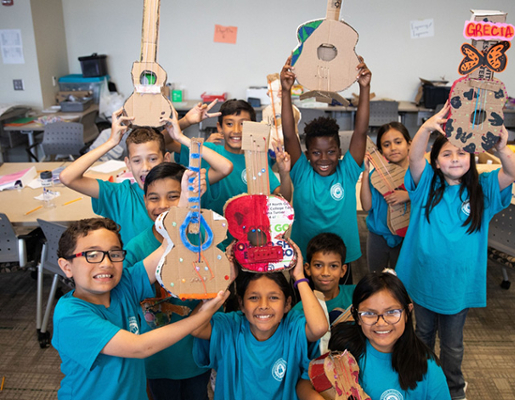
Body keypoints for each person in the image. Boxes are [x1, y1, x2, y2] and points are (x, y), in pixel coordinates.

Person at [395, 104, 515, 399]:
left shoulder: (484, 188)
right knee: (422, 336)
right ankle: (422, 382)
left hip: (459, 286)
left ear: (472, 157)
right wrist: (427, 128)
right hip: (423, 280)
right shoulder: (425, 183)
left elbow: (513, 171)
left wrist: (503, 149)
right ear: (436, 162)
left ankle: (454, 388)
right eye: (447, 154)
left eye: (461, 153)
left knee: (452, 345)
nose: (455, 159)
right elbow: (414, 157)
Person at [52, 216, 227, 400]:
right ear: (66, 266)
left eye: (114, 254)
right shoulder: (70, 315)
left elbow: (167, 245)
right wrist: (201, 316)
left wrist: (187, 195)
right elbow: (140, 347)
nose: (106, 263)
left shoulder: (123, 286)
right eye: (92, 255)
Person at [59, 105, 229, 244]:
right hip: (138, 280)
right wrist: (111, 142)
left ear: (166, 158)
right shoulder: (120, 195)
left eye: (153, 159)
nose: (146, 167)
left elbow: (224, 168)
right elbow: (68, 177)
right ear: (127, 163)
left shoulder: (184, 185)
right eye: (137, 160)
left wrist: (179, 135)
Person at [191, 245, 328, 400]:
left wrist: (299, 277)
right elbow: (195, 327)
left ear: (287, 304)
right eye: (254, 298)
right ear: (241, 304)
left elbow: (320, 328)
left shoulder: (292, 327)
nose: (263, 305)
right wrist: (225, 279)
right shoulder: (230, 327)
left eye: (273, 297)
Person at [280, 55, 371, 282]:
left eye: (331, 152)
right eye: (316, 153)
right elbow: (289, 134)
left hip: (341, 259)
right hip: (306, 257)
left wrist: (365, 88)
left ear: (340, 151)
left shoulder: (348, 171)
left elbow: (360, 131)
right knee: (303, 310)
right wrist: (285, 92)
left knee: (339, 310)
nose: (324, 158)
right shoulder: (301, 172)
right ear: (307, 154)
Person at [124, 163, 211, 400]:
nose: (162, 205)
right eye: (153, 198)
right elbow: (125, 295)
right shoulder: (135, 248)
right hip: (157, 358)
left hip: (197, 352)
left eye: (173, 196)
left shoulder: (204, 237)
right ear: (144, 200)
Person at [296, 271, 451, 399]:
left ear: (407, 313)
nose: (381, 323)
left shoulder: (427, 366)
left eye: (391, 312)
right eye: (369, 313)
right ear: (356, 317)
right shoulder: (343, 345)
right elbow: (304, 385)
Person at [163, 99, 293, 217]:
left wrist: (284, 173)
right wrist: (187, 121)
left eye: (243, 124)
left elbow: (282, 199)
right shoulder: (207, 151)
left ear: (252, 128)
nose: (236, 130)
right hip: (211, 239)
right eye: (229, 124)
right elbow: (163, 142)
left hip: (247, 241)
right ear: (220, 127)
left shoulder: (257, 159)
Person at [360, 122, 411, 272]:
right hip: (378, 235)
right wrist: (365, 172)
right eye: (387, 145)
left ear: (409, 144)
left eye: (398, 142)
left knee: (402, 282)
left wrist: (408, 195)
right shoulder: (376, 176)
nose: (393, 148)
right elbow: (367, 206)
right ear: (381, 150)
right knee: (375, 278)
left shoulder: (418, 173)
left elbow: (429, 198)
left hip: (406, 236)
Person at [292, 233, 354, 325]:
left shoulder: (358, 295)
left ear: (343, 270)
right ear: (308, 269)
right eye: (318, 265)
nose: (325, 273)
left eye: (333, 266)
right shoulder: (299, 310)